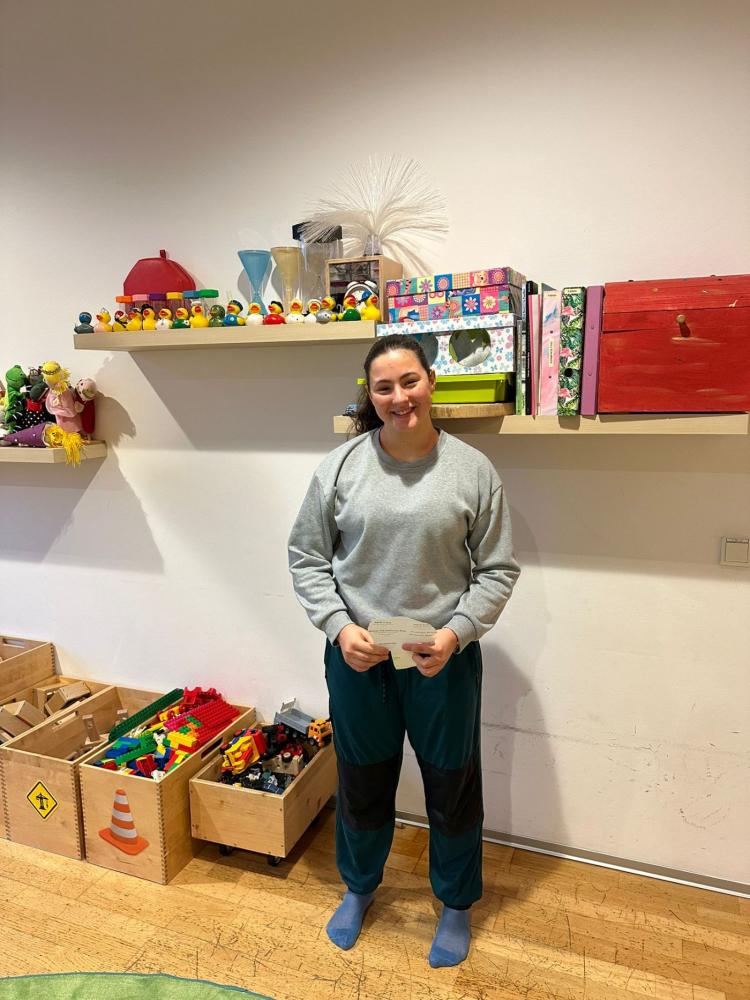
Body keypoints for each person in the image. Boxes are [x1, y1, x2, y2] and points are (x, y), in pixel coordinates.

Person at [287, 333, 520, 968]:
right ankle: (359, 887)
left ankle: (456, 903)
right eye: (383, 387)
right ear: (370, 395)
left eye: (409, 381)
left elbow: (497, 570)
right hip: (359, 658)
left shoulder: (472, 470)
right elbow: (307, 558)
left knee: (452, 783)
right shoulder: (340, 468)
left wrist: (455, 633)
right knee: (362, 780)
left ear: (431, 382)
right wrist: (339, 628)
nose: (399, 397)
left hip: (441, 659)